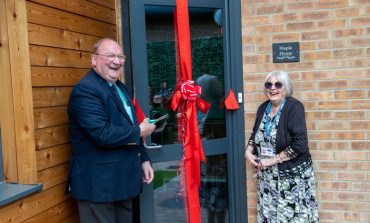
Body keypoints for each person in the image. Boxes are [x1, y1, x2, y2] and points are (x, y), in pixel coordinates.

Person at [67, 38, 156, 223]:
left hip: (122, 183)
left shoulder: (119, 87)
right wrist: (139, 131)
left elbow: (129, 125)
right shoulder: (85, 90)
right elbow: (102, 133)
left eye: (120, 56)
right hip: (98, 187)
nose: (117, 61)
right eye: (110, 55)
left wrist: (144, 158)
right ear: (94, 60)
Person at [244, 71, 319, 223]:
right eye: (269, 84)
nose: (273, 88)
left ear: (286, 88)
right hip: (267, 177)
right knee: (270, 215)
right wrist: (248, 151)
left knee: (291, 217)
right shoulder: (263, 108)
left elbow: (300, 144)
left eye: (278, 84)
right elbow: (255, 134)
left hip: (291, 178)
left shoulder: (294, 107)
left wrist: (272, 160)